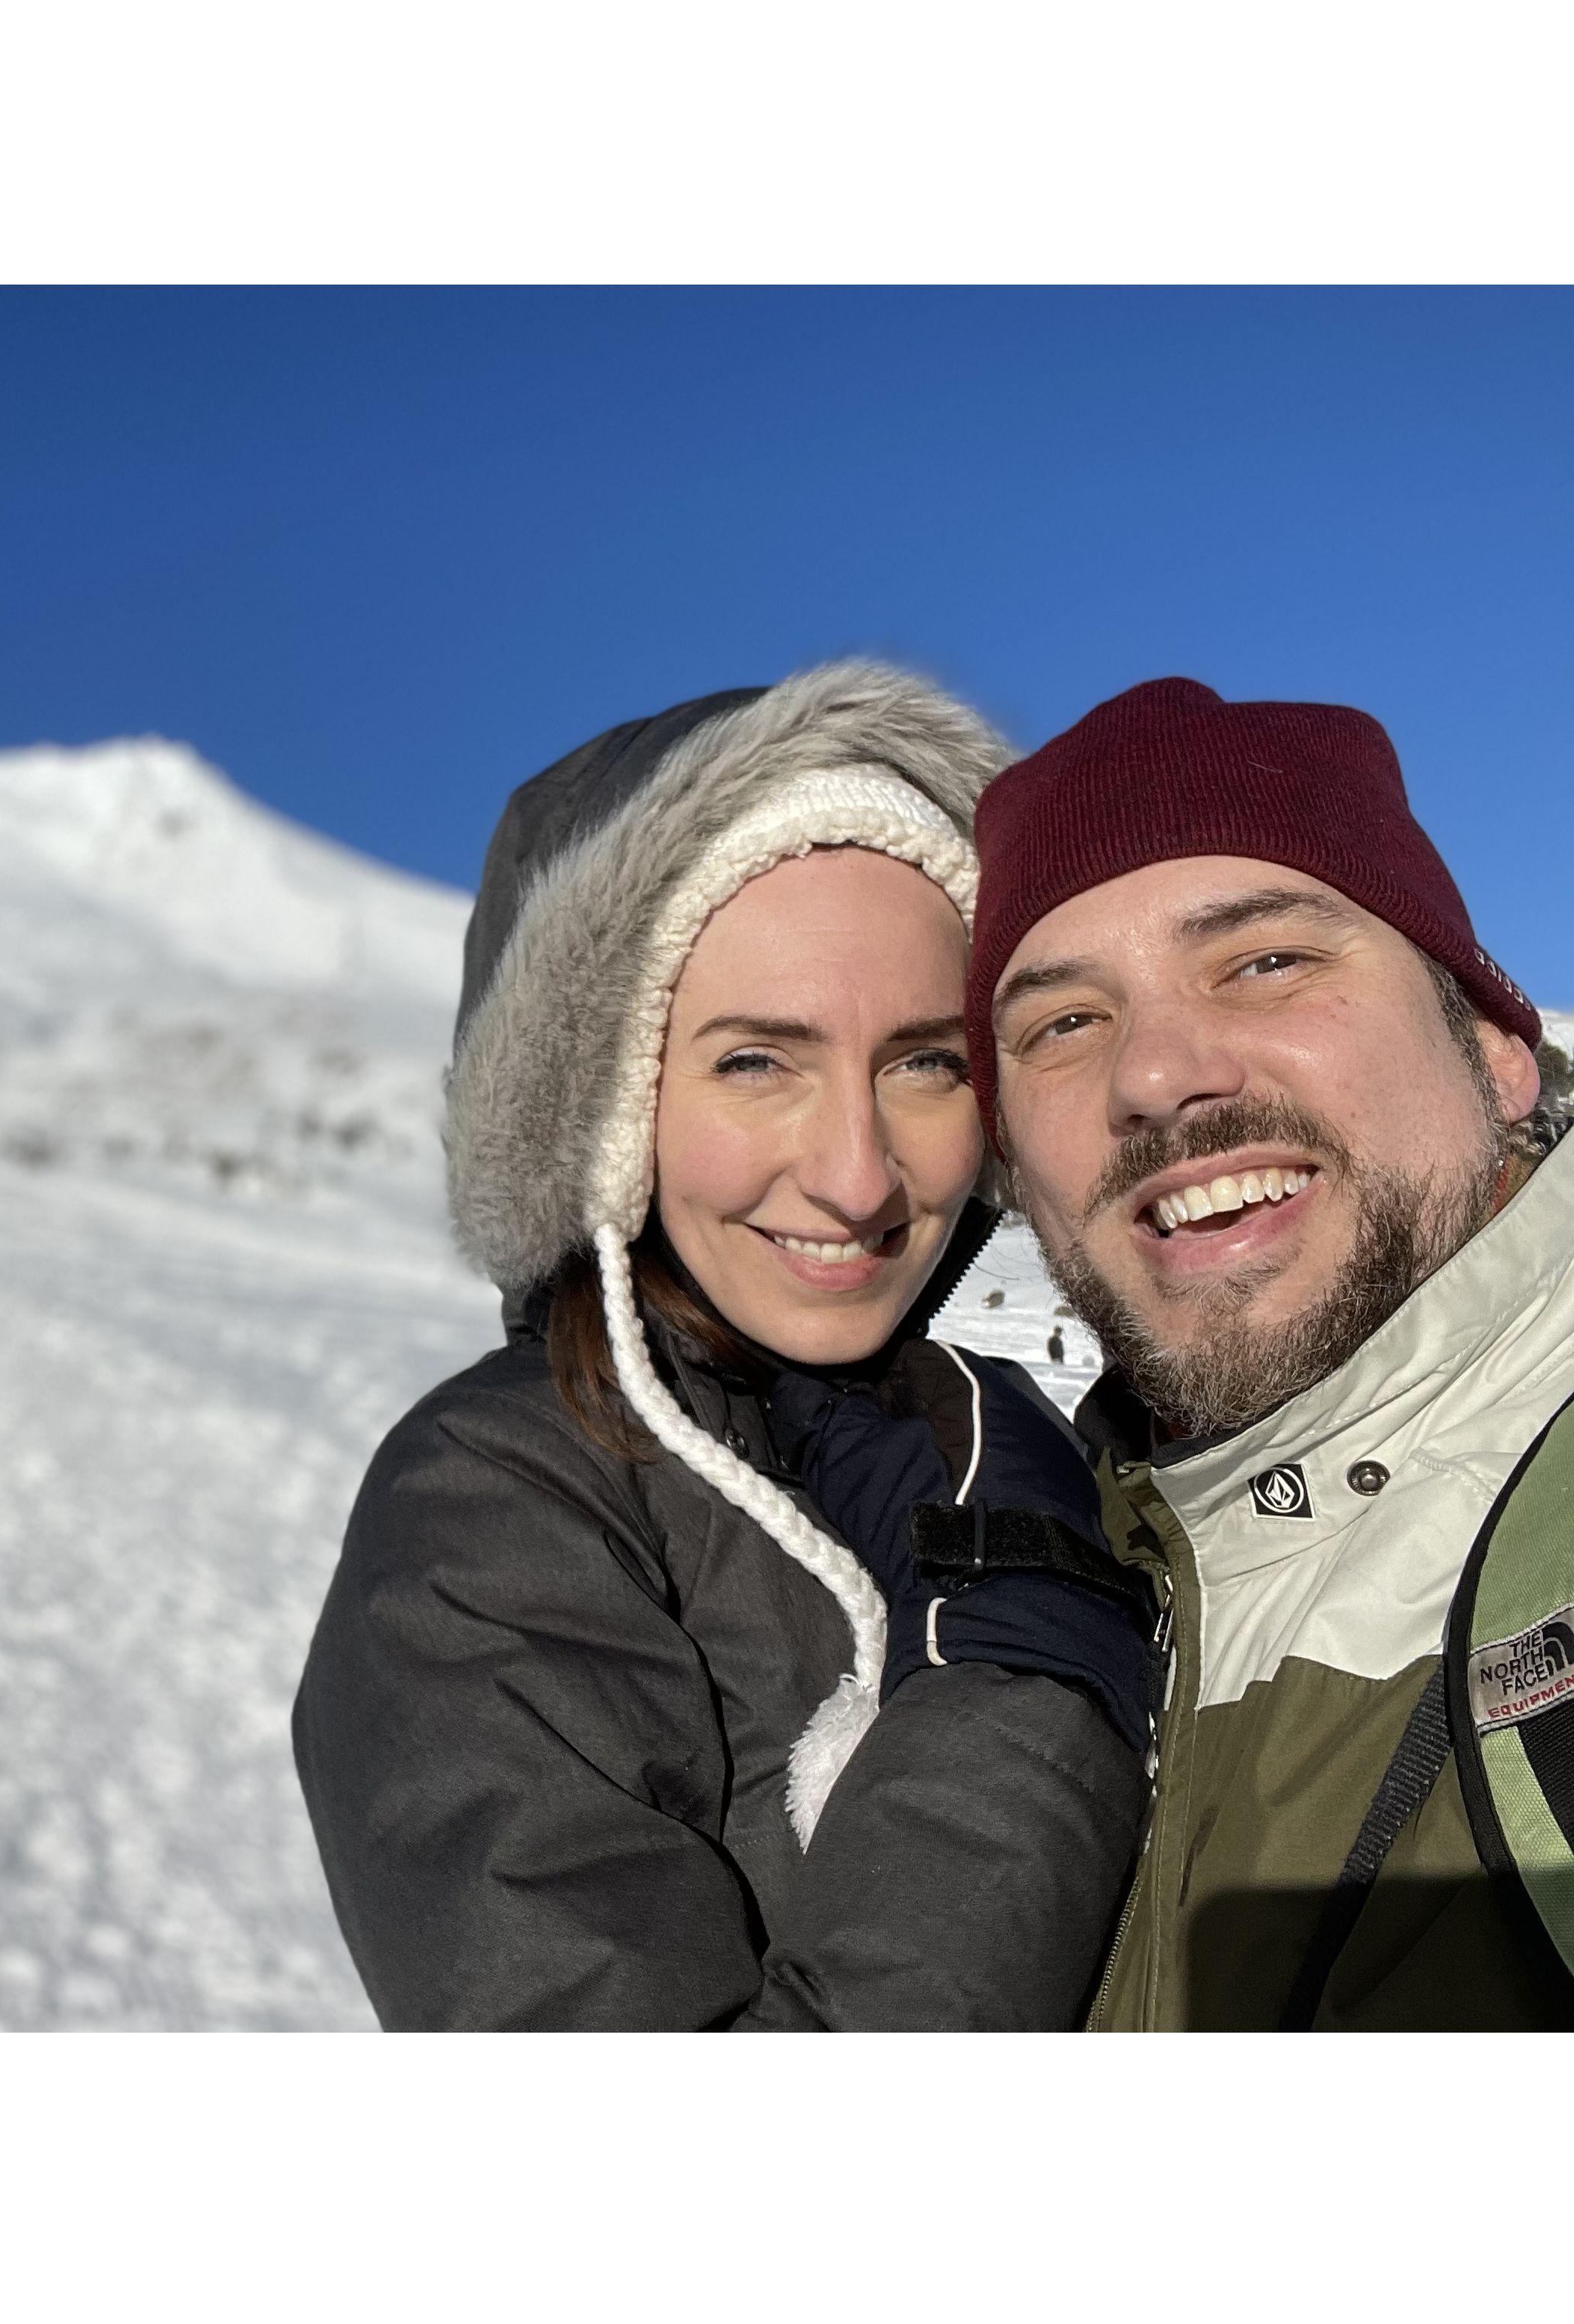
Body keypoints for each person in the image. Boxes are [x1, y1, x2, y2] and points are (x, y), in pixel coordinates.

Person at [294, 659, 1156, 2030]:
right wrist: (1025, 1672)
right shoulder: (492, 1505)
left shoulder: (1031, 1433)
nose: (858, 1176)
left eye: (926, 1060)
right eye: (757, 1061)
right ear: (603, 1110)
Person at [968, 676, 1574, 2030]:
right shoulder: (1016, 1580)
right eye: (1064, 1024)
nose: (1155, 1075)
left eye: (1266, 962)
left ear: (1496, 1046)